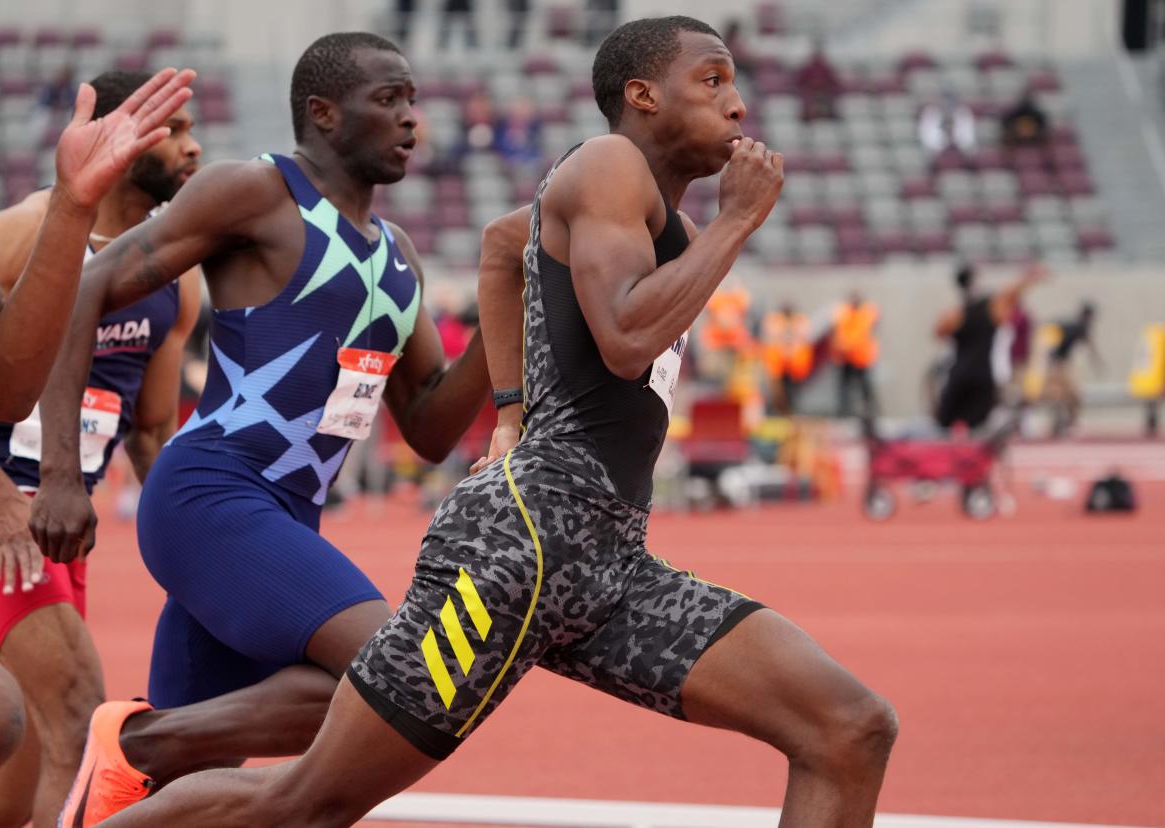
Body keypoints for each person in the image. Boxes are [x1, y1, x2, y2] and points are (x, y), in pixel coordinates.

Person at [98, 17, 898, 828]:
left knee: (850, 727)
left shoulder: (667, 227)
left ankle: (150, 751)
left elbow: (499, 245)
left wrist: (510, 411)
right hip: (518, 552)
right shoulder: (607, 164)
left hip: (611, 563)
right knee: (307, 801)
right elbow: (624, 339)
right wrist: (736, 223)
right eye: (713, 81)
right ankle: (134, 754)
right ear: (643, 95)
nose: (737, 105)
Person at [28, 33, 492, 827]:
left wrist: (500, 324)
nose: (413, 120)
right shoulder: (256, 192)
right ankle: (139, 740)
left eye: (414, 101)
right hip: (212, 494)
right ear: (322, 112)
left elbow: (428, 426)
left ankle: (141, 765)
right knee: (405, 672)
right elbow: (83, 290)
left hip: (281, 520)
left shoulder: (400, 255)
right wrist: (61, 474)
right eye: (389, 100)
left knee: (181, 803)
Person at [0, 6, 194, 820]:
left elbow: (150, 430)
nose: (191, 147)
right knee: (79, 706)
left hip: (65, 522)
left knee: (12, 747)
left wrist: (192, 542)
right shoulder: (14, 232)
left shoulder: (173, 276)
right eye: (173, 129)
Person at [935, 263, 1045, 430]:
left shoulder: (954, 313)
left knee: (946, 423)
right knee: (976, 426)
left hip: (960, 373)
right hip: (983, 374)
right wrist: (1028, 278)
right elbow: (1011, 292)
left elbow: (938, 333)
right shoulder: (993, 307)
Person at [1042, 301, 1101, 436]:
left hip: (1054, 363)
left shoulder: (1070, 324)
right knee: (1070, 395)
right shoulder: (1081, 326)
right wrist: (1098, 364)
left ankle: (1061, 424)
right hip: (1059, 364)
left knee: (1061, 395)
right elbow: (1090, 347)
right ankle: (1067, 423)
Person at [832, 291, 879, 419]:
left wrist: (848, 344)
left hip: (861, 357)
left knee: (865, 387)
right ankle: (843, 412)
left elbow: (863, 332)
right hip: (846, 357)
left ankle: (869, 411)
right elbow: (839, 331)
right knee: (844, 387)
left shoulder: (865, 312)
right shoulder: (843, 312)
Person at [762, 302, 814, 415]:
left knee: (792, 391)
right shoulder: (776, 320)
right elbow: (773, 337)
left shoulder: (799, 321)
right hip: (778, 365)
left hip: (794, 365)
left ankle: (790, 410)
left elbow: (803, 337)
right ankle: (778, 411)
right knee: (777, 391)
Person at [918, 91, 976, 162]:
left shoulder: (962, 113)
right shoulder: (931, 113)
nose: (948, 105)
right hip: (936, 154)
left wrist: (959, 145)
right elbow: (928, 139)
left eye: (951, 103)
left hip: (959, 152)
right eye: (945, 102)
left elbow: (968, 139)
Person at [795, 38, 840, 121]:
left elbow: (834, 83)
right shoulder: (808, 67)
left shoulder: (826, 67)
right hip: (811, 94)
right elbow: (799, 82)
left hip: (824, 93)